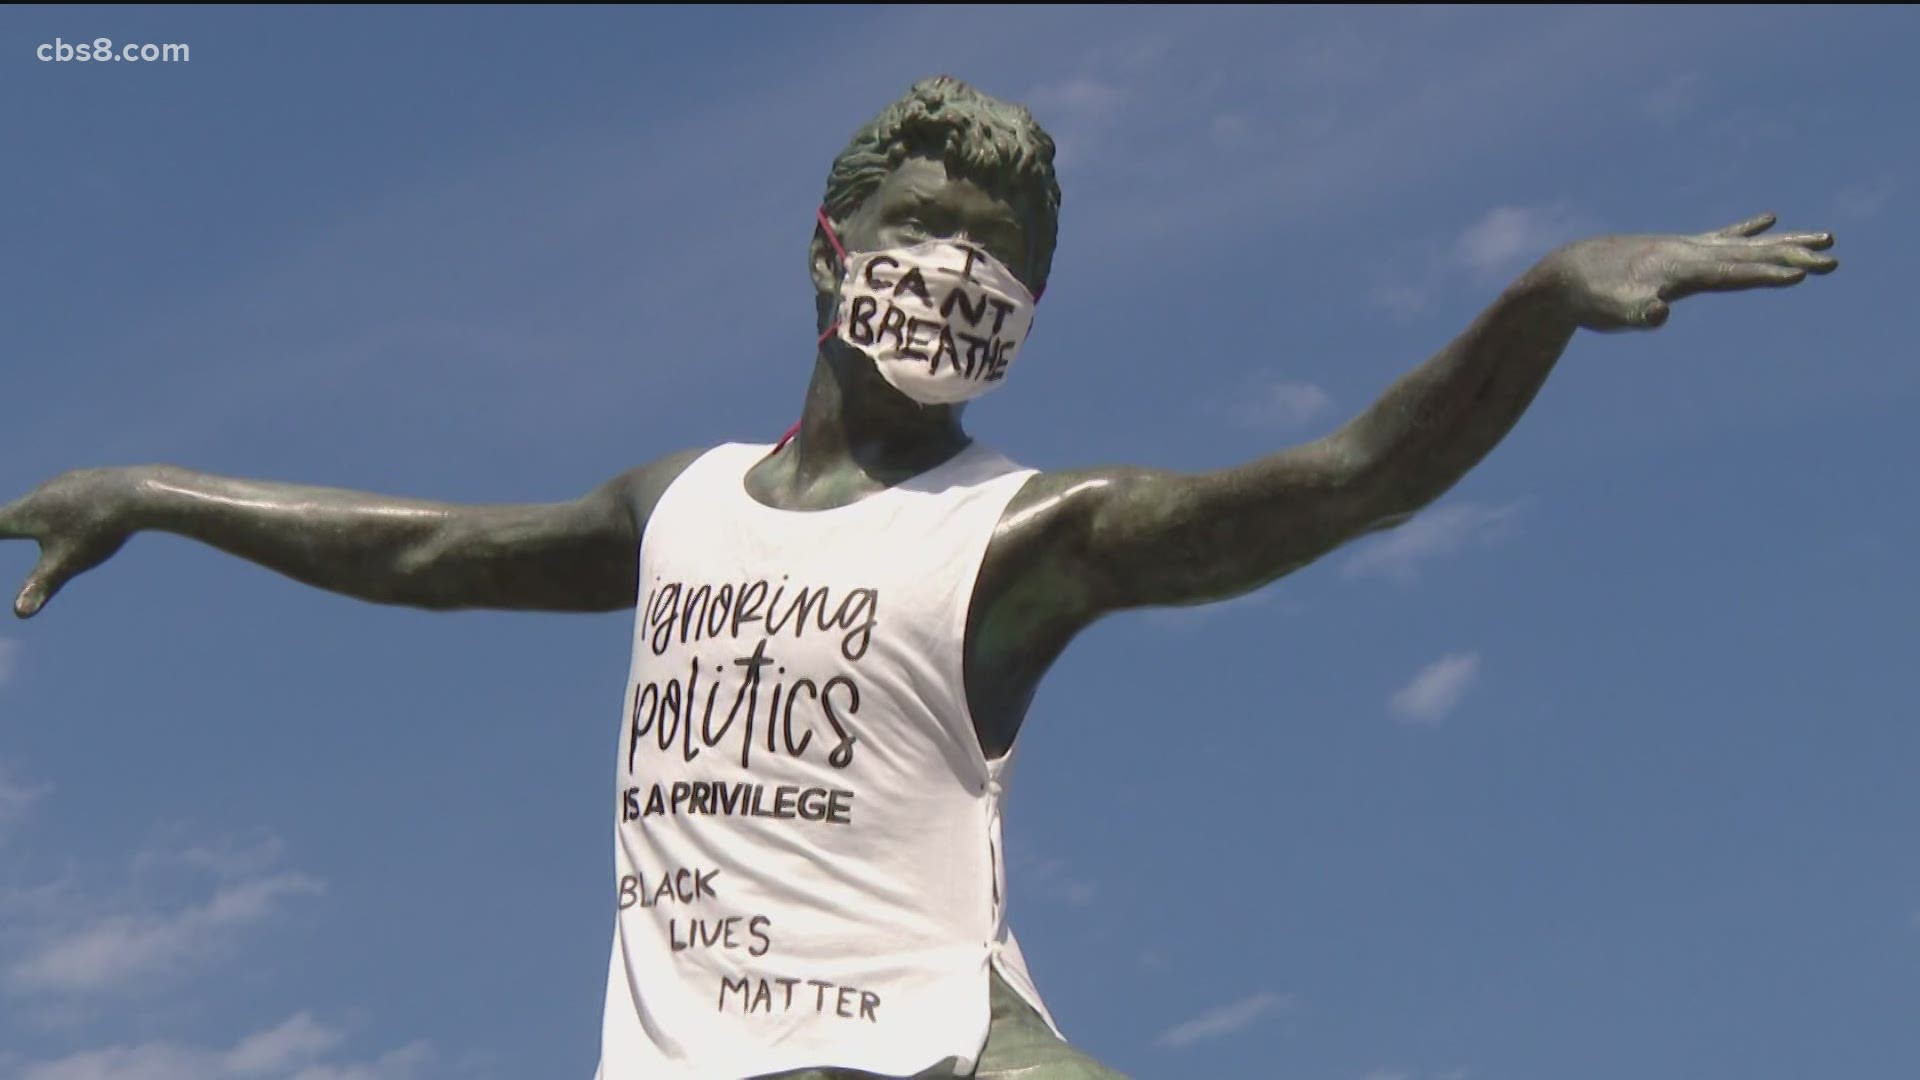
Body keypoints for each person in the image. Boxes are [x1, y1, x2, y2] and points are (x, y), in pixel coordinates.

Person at [0, 76, 1837, 1079]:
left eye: (1006, 253)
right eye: (927, 229)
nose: (962, 270)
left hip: (948, 1043)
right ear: (828, 252)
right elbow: (418, 551)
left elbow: (1346, 483)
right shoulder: (684, 506)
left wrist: (1538, 304)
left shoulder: (1027, 536)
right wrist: (147, 491)